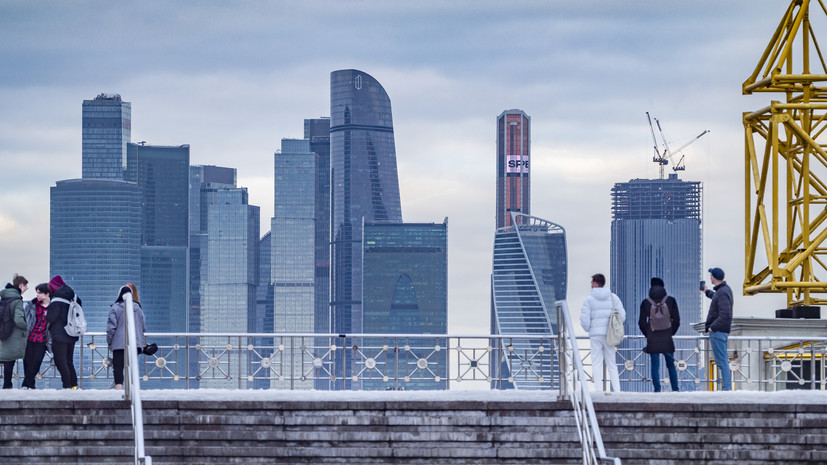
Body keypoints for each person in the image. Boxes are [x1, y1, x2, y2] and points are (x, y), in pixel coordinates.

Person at [581, 273, 626, 392]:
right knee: (611, 363)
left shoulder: (589, 300)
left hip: (595, 334)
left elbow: (584, 320)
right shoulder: (613, 298)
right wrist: (615, 327)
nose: (590, 285)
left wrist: (589, 329)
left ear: (595, 283)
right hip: (610, 334)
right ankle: (617, 390)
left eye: (591, 282)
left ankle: (598, 390)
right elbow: (623, 316)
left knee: (596, 363)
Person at [639, 277, 681, 392]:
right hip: (667, 337)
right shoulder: (671, 300)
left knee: (655, 365)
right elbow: (677, 320)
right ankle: (675, 389)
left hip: (653, 338)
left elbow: (641, 322)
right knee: (671, 365)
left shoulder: (646, 302)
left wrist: (649, 334)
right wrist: (670, 333)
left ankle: (657, 390)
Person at [107, 284, 146, 390]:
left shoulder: (115, 308)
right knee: (131, 366)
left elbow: (111, 328)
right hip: (135, 343)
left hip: (119, 344)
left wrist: (109, 342)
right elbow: (143, 326)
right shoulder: (138, 308)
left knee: (118, 367)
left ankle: (118, 389)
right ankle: (132, 388)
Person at [701, 267, 733, 391]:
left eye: (711, 276)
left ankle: (726, 389)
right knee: (722, 360)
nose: (710, 277)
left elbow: (726, 314)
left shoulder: (723, 292)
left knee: (722, 361)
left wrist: (712, 327)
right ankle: (726, 388)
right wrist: (706, 291)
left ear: (713, 277)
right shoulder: (723, 290)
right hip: (719, 330)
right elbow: (716, 298)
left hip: (718, 331)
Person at [46, 275, 79, 389]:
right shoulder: (74, 297)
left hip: (59, 336)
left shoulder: (56, 300)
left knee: (60, 361)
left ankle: (67, 386)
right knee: (69, 360)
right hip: (72, 333)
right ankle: (73, 385)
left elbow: (50, 318)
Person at [0, 274, 29, 389]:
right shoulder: (17, 300)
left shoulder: (5, 297)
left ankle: (7, 386)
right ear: (21, 285)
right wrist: (26, 326)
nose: (26, 289)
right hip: (13, 335)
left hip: (3, 332)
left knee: (6, 359)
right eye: (26, 287)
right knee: (9, 361)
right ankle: (7, 386)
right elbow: (18, 319)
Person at [22, 283, 51, 389]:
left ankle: (26, 384)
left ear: (47, 294)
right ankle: (30, 385)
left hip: (43, 340)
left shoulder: (53, 307)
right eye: (37, 293)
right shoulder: (32, 305)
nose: (37, 295)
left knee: (37, 362)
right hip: (29, 338)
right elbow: (24, 319)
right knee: (27, 362)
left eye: (40, 293)